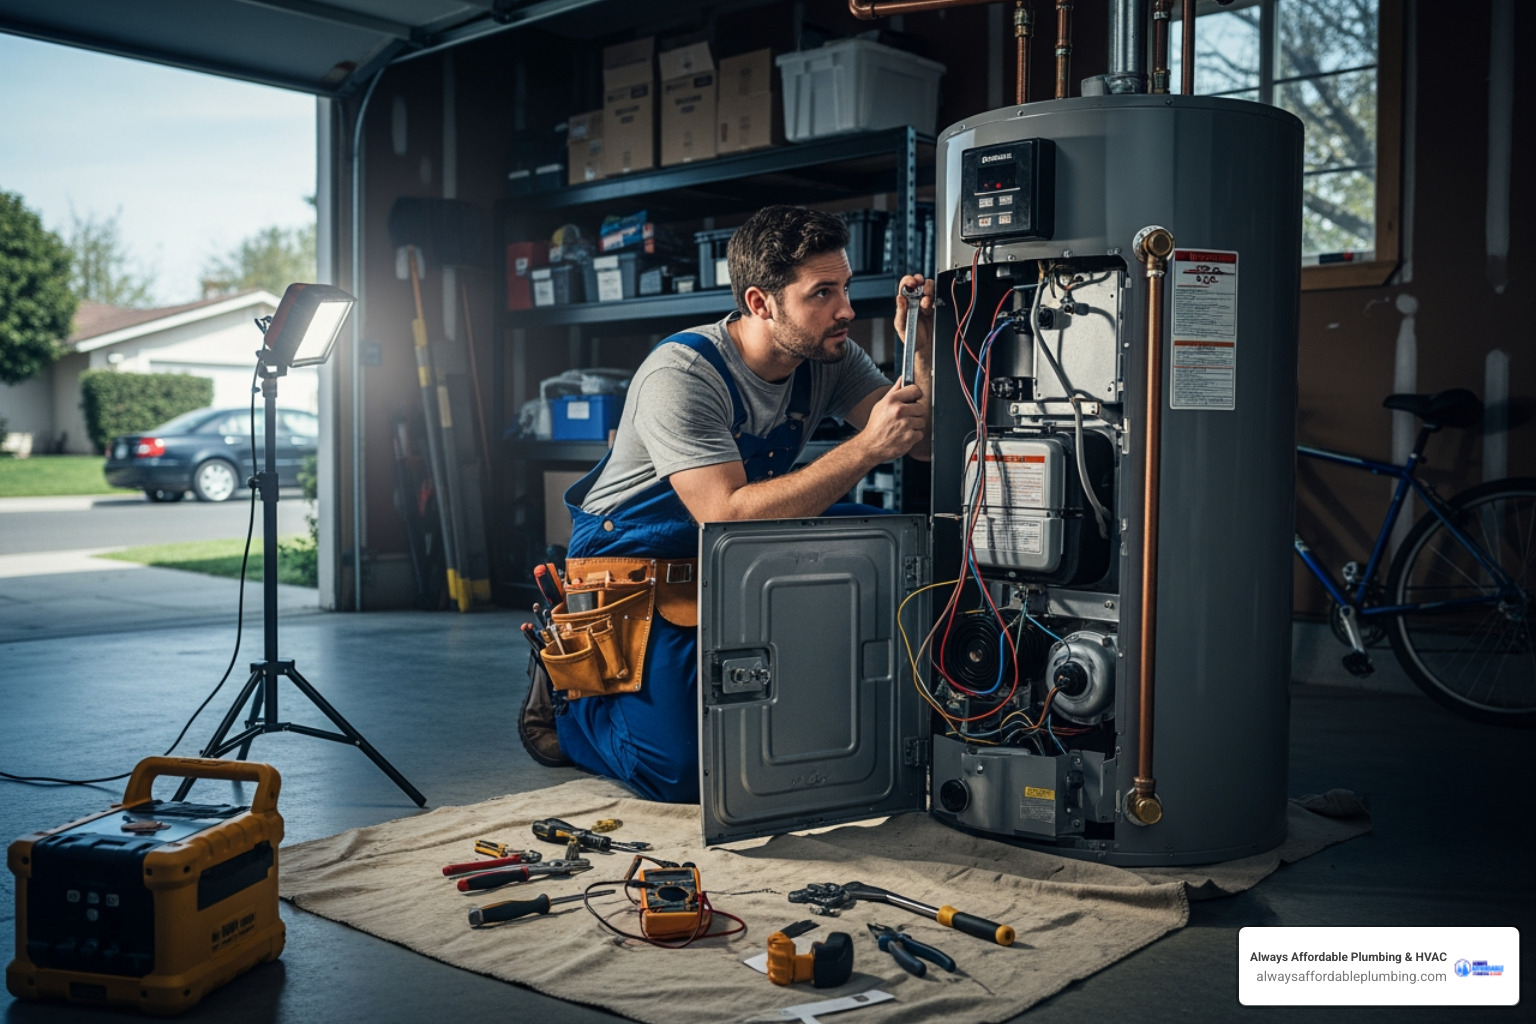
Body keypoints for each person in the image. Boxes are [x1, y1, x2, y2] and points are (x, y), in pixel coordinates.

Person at [522, 204, 933, 802]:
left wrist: (921, 350)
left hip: (737, 543)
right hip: (640, 558)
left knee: (901, 546)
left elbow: (922, 447)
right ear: (761, 302)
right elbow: (725, 512)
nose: (846, 309)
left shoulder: (830, 356)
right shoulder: (682, 373)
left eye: (843, 287)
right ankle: (571, 696)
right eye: (822, 293)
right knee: (683, 772)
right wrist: (865, 449)